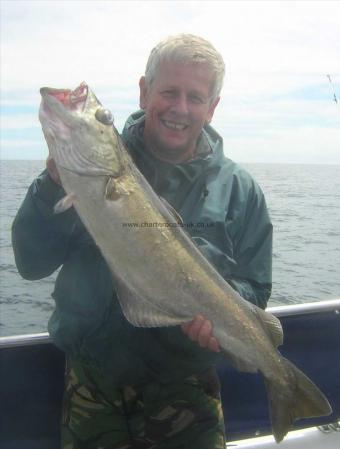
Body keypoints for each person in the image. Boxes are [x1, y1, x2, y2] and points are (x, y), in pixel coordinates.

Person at [12, 34, 273, 449]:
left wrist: (215, 319)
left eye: (195, 96)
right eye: (169, 91)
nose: (179, 108)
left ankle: (285, 386)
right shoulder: (83, 177)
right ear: (143, 90)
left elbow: (255, 289)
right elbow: (30, 265)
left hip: (187, 392)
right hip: (91, 386)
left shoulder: (241, 192)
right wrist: (52, 185)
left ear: (213, 107)